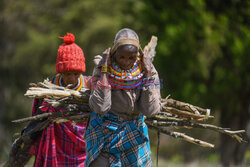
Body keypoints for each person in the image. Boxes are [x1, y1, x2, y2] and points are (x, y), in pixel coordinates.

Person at [85, 28, 161, 167]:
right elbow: (101, 107)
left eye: (131, 58)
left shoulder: (147, 69)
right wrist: (104, 72)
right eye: (122, 57)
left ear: (137, 55)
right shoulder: (101, 66)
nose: (126, 62)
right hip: (105, 131)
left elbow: (151, 110)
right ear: (114, 53)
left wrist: (148, 75)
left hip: (134, 134)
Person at [24, 33, 88, 167]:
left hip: (82, 151)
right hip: (55, 149)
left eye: (76, 74)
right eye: (67, 74)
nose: (72, 79)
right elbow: (38, 117)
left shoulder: (89, 87)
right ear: (60, 72)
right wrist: (28, 135)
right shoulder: (49, 89)